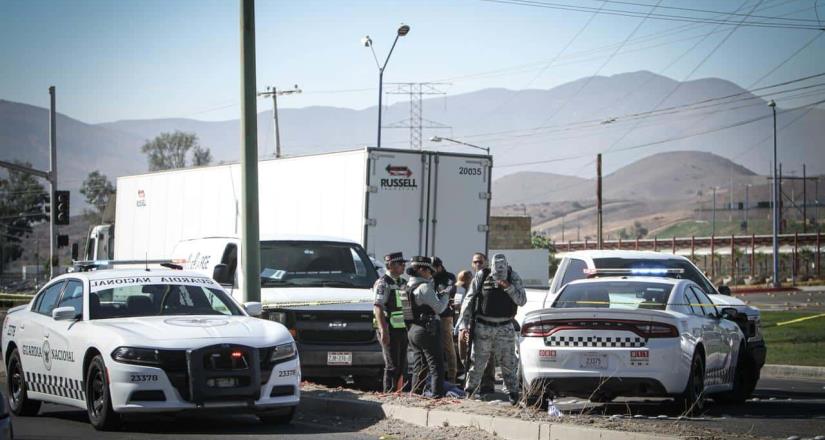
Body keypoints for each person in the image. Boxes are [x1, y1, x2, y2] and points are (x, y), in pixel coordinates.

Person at [458, 253, 527, 405]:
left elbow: (522, 300)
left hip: (505, 326)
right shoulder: (482, 275)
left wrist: (508, 287)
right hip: (483, 326)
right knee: (477, 363)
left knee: (509, 363)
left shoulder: (512, 276)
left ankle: (513, 395)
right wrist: (464, 325)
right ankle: (470, 393)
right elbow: (469, 300)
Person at [403, 256, 448, 397]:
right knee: (436, 365)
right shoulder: (424, 287)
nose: (431, 274)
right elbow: (439, 308)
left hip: (413, 329)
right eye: (429, 271)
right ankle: (437, 396)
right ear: (422, 270)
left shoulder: (406, 287)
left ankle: (416, 393)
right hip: (427, 329)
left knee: (419, 365)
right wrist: (446, 294)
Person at [372, 252, 409, 393]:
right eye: (400, 264)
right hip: (389, 329)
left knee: (401, 365)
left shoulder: (402, 283)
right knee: (392, 365)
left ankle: (398, 393)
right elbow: (378, 307)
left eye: (404, 263)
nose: (403, 266)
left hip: (402, 329)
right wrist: (383, 330)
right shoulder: (383, 283)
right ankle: (389, 394)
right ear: (390, 265)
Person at [461, 252, 496, 393]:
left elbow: (468, 302)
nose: (478, 265)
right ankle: (478, 385)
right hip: (478, 321)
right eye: (475, 262)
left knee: (487, 354)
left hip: (490, 323)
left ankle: (486, 385)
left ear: (487, 262)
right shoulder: (476, 278)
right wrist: (465, 325)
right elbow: (469, 302)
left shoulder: (491, 277)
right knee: (476, 354)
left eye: (480, 262)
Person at [432, 257, 458, 383]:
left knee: (448, 346)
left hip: (445, 315)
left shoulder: (449, 276)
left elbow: (448, 289)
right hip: (431, 315)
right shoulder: (431, 276)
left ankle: (452, 377)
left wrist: (438, 293)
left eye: (433, 268)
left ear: (439, 266)